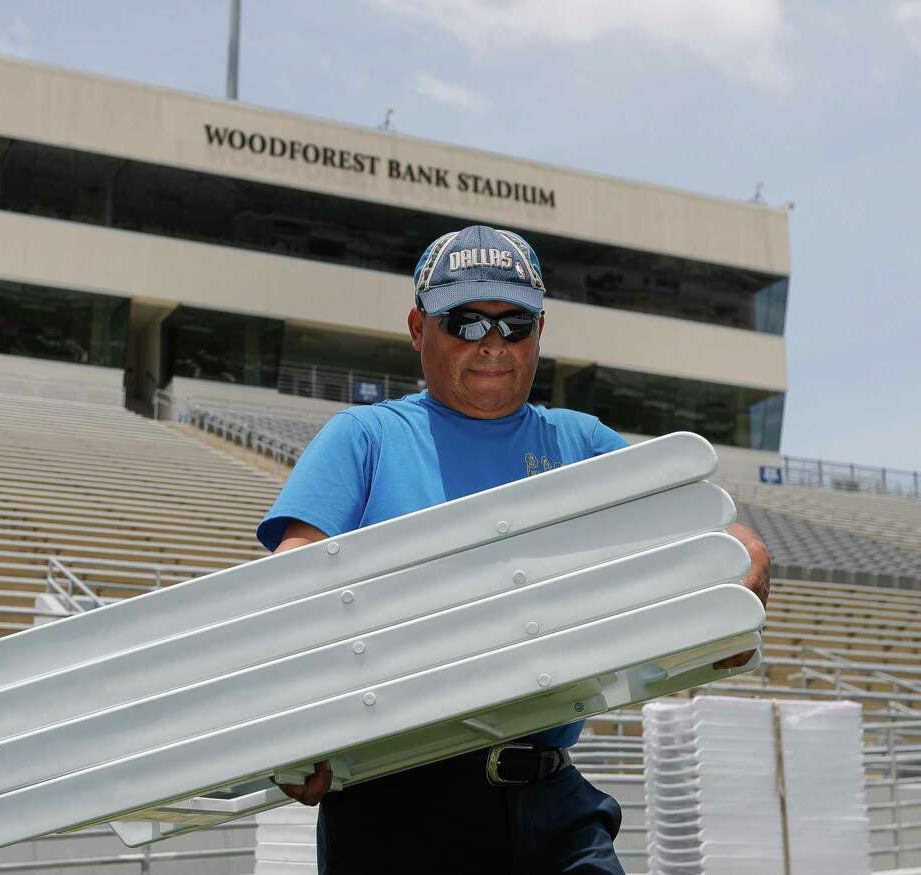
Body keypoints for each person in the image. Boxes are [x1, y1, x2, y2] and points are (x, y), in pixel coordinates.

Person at [255, 224, 772, 874]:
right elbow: (293, 582)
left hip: (548, 793)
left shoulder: (579, 442)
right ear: (417, 328)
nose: (493, 343)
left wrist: (743, 564)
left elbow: (710, 530)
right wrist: (295, 726)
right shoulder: (364, 437)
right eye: (466, 322)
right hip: (395, 801)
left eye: (515, 324)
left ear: (540, 332)